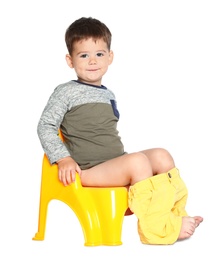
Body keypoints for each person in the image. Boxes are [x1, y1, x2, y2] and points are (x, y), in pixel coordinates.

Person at [37, 17, 203, 245]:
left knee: (161, 155)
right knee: (137, 162)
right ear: (70, 60)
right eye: (84, 55)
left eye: (99, 54)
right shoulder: (65, 92)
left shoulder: (108, 94)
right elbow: (45, 126)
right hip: (87, 171)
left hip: (114, 164)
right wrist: (63, 158)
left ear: (110, 57)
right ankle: (157, 230)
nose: (92, 61)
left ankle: (175, 216)